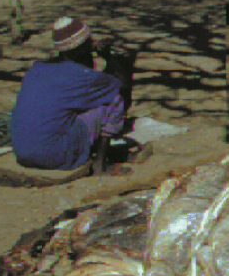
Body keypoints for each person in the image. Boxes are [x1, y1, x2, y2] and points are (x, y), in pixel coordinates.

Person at [11, 17, 138, 173]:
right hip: (52, 154)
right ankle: (100, 163)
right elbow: (118, 86)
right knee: (114, 101)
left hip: (22, 153)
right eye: (89, 42)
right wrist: (109, 57)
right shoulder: (80, 76)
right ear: (83, 47)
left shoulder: (36, 70)